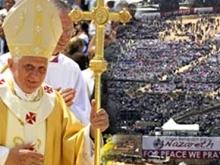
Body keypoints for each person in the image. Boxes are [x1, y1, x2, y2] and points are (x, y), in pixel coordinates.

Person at [0, 0, 109, 164]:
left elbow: (73, 144)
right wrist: (5, 156)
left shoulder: (53, 100)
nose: (35, 76)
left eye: (42, 69)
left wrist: (93, 131)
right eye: (28, 66)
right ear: (11, 64)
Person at [0, 0, 92, 126]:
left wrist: (61, 108)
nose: (65, 37)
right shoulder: (5, 64)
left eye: (70, 31)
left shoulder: (71, 69)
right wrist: (48, 102)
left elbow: (84, 118)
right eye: (60, 29)